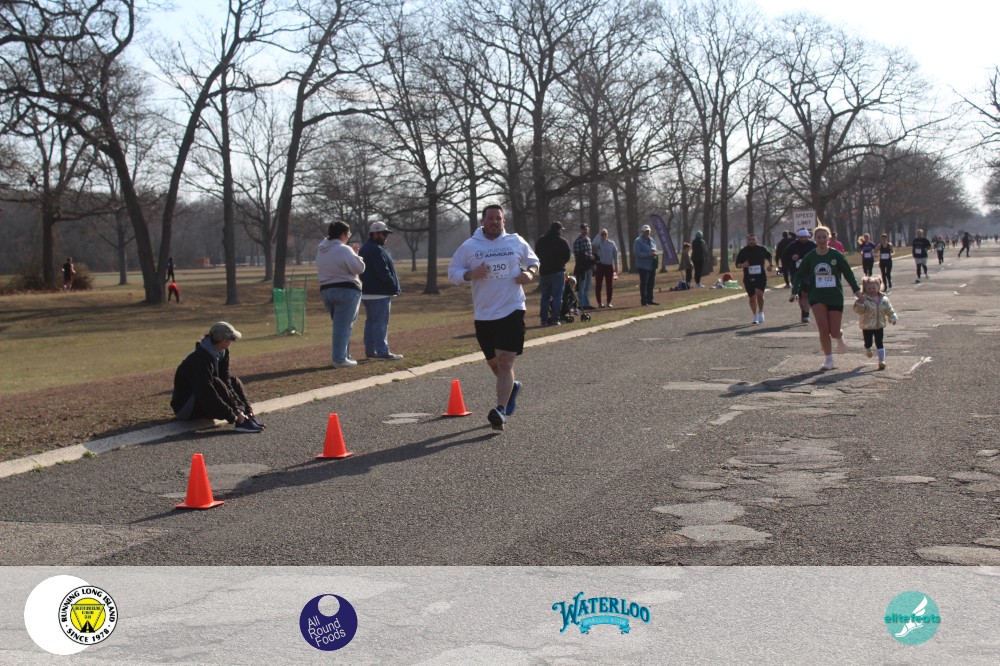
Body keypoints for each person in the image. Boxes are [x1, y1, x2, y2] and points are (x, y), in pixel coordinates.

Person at [448, 204, 539, 431]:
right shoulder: (470, 246)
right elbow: (453, 273)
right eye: (491, 218)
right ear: (483, 221)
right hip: (484, 314)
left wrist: (529, 273)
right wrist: (470, 274)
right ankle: (512, 387)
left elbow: (533, 261)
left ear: (503, 221)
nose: (495, 222)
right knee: (495, 364)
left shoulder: (515, 241)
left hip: (512, 308)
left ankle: (500, 411)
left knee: (506, 360)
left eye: (499, 218)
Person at [791, 225, 862, 371]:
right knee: (823, 328)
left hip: (834, 296)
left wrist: (857, 291)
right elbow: (798, 274)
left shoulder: (836, 255)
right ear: (814, 239)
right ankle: (828, 359)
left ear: (829, 238)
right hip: (817, 296)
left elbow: (848, 273)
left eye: (824, 237)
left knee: (833, 332)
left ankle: (839, 336)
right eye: (819, 237)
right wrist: (795, 291)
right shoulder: (810, 257)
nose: (822, 240)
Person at [171, 321, 264, 433]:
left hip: (204, 398)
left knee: (234, 381)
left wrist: (241, 408)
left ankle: (248, 416)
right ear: (223, 340)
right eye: (232, 339)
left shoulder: (222, 352)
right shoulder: (199, 359)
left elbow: (226, 381)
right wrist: (232, 415)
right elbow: (205, 390)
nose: (232, 342)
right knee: (215, 382)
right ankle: (241, 420)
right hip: (186, 408)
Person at [317, 221, 366, 368]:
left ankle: (345, 355)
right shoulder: (344, 249)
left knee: (340, 324)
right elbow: (359, 268)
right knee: (344, 326)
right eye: (348, 233)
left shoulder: (321, 249)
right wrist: (356, 255)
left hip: (326, 290)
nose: (349, 236)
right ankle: (339, 359)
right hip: (346, 290)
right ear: (343, 234)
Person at [359, 220, 403, 360]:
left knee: (371, 322)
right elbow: (382, 271)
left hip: (367, 292)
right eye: (384, 234)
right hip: (379, 292)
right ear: (376, 233)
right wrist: (392, 285)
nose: (386, 237)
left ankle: (370, 351)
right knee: (380, 323)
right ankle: (383, 352)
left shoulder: (365, 248)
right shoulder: (376, 249)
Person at [852, 276, 898, 371]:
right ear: (865, 289)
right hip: (867, 326)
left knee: (879, 342)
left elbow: (889, 309)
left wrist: (892, 317)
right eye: (869, 288)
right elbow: (858, 310)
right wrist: (860, 304)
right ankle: (868, 349)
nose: (871, 290)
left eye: (874, 288)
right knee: (868, 342)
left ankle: (882, 360)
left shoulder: (883, 299)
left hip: (879, 325)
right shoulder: (864, 299)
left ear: (878, 288)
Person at [534, 221, 571, 326]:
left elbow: (536, 254)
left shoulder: (541, 241)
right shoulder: (562, 242)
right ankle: (555, 319)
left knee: (545, 297)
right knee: (557, 297)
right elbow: (567, 256)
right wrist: (561, 263)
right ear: (559, 230)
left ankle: (544, 320)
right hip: (558, 271)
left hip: (544, 272)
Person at [734, 233, 773, 324]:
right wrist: (743, 265)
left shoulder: (762, 249)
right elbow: (737, 264)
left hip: (760, 276)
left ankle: (761, 312)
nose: (751, 241)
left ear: (756, 240)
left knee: (759, 294)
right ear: (747, 241)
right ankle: (754, 315)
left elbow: (769, 256)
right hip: (748, 277)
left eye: (753, 239)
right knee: (752, 298)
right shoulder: (743, 251)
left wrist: (771, 265)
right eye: (749, 240)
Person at [782, 228, 817, 323]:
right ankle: (803, 311)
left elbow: (818, 255)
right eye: (801, 237)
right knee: (800, 294)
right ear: (798, 237)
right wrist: (792, 258)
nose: (803, 239)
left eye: (805, 237)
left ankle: (806, 314)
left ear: (808, 236)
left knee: (806, 293)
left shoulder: (812, 245)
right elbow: (784, 257)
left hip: (808, 273)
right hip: (796, 272)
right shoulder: (792, 246)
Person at [591, 227, 619, 308]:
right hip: (600, 265)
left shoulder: (612, 244)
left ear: (607, 235)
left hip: (609, 266)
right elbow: (593, 244)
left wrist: (616, 267)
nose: (603, 236)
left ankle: (609, 302)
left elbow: (615, 256)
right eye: (602, 234)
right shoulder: (598, 243)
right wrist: (598, 235)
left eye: (605, 234)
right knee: (598, 285)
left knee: (609, 285)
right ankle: (599, 303)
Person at [634, 224, 659, 306]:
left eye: (648, 231)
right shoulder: (638, 241)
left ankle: (650, 299)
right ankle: (644, 301)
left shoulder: (652, 240)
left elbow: (655, 249)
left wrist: (654, 253)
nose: (647, 233)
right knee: (644, 284)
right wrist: (648, 254)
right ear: (642, 232)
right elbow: (637, 253)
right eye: (646, 231)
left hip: (651, 265)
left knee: (651, 283)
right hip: (643, 266)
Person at [573, 224, 595, 310]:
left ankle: (586, 304)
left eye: (586, 229)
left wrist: (593, 264)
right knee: (581, 286)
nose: (585, 231)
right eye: (583, 229)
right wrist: (587, 257)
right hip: (581, 267)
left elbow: (590, 253)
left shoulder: (588, 240)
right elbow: (577, 255)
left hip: (589, 266)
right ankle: (581, 304)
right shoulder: (577, 241)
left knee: (587, 286)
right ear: (580, 230)